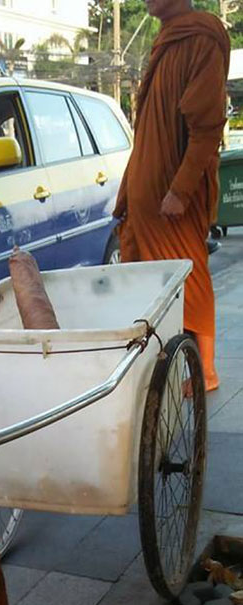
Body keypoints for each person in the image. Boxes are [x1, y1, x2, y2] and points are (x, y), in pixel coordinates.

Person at [114, 0, 230, 391]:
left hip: (174, 201)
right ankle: (169, 361)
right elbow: (146, 133)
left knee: (190, 275)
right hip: (147, 198)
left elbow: (207, 127)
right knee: (151, 281)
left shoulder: (202, 38)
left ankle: (207, 372)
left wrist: (180, 191)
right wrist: (128, 193)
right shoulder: (165, 40)